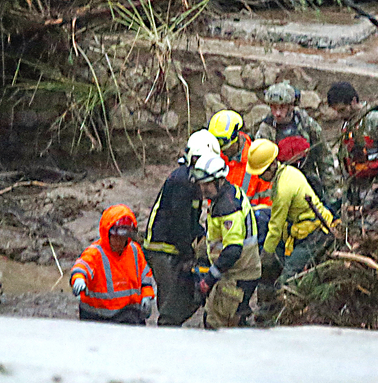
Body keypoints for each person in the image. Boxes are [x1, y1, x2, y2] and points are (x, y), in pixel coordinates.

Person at [249, 138, 337, 320]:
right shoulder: (288, 172)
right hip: (301, 230)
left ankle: (281, 318)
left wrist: (266, 254)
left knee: (288, 279)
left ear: (271, 167)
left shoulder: (283, 188)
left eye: (260, 173)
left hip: (315, 234)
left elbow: (275, 226)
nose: (258, 177)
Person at [142, 129, 216, 326]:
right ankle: (167, 333)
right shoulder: (184, 181)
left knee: (177, 293)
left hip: (169, 246)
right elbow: (179, 223)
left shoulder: (190, 179)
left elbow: (189, 221)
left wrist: (201, 235)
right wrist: (187, 253)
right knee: (171, 299)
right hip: (162, 248)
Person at [186, 152, 262, 328]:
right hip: (236, 272)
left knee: (217, 323)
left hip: (239, 274)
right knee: (230, 319)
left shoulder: (228, 208)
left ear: (219, 180)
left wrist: (209, 279)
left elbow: (233, 249)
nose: (202, 189)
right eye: (201, 184)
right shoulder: (224, 196)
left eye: (206, 185)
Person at [254, 82, 342, 208]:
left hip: (309, 182)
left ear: (291, 106)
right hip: (281, 187)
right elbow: (262, 169)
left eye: (282, 107)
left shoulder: (307, 124)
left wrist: (331, 193)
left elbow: (324, 157)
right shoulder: (265, 130)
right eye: (273, 107)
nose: (277, 113)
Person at [326, 81, 378, 209]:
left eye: (342, 110)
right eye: (337, 111)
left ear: (353, 101)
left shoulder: (376, 119)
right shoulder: (347, 126)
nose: (340, 115)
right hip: (356, 191)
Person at [70, 205, 154, 325]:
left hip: (130, 315)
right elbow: (82, 266)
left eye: (123, 238)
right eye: (116, 237)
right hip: (99, 317)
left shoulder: (134, 251)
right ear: (107, 233)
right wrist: (78, 279)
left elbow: (145, 278)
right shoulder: (96, 252)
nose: (119, 242)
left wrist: (146, 296)